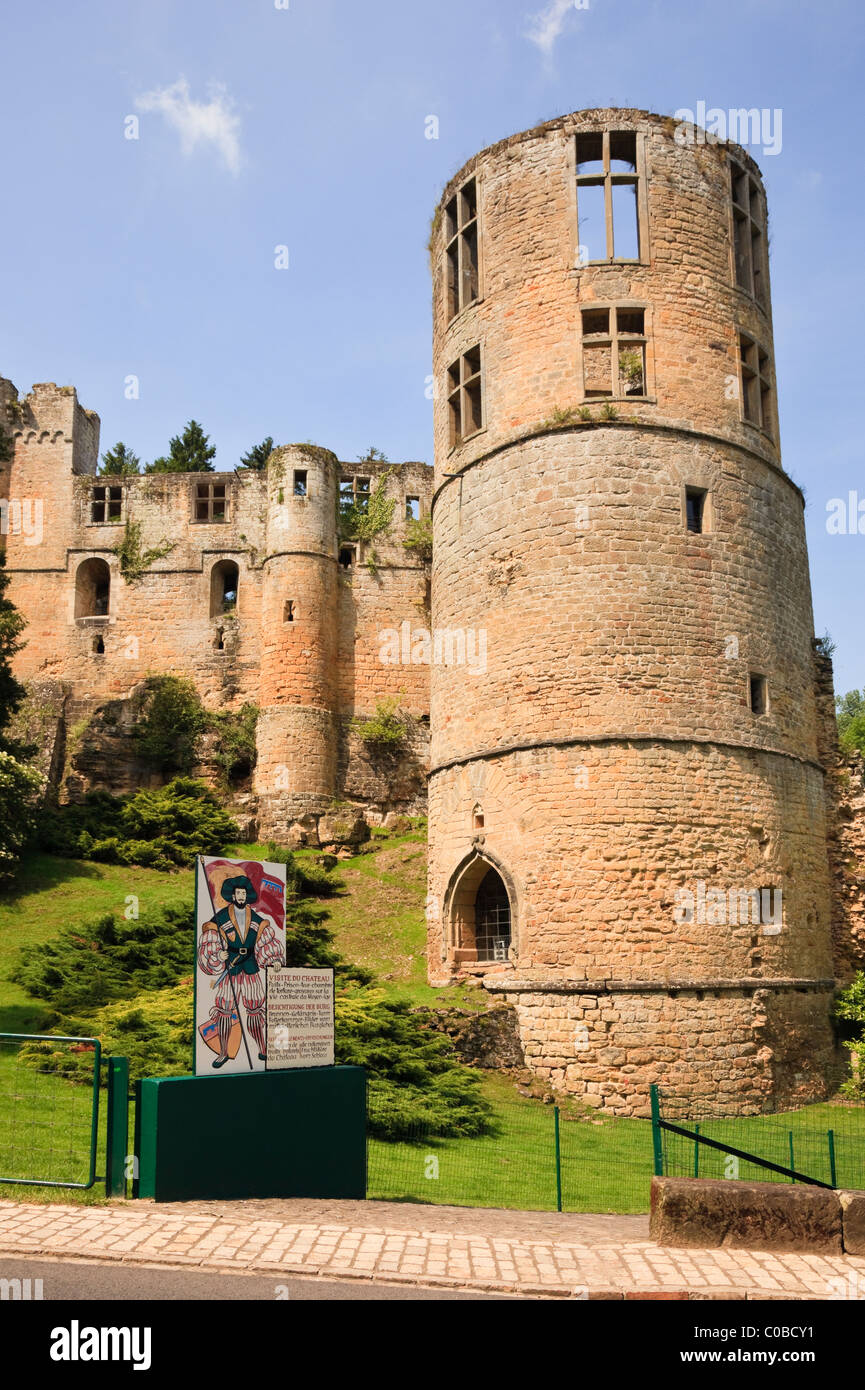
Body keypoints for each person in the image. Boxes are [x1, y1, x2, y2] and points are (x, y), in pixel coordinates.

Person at [198, 874, 283, 1068]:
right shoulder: (220, 918)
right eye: (238, 893)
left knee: (255, 1009)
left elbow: (267, 941)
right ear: (233, 896)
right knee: (225, 1010)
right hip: (232, 967)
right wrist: (218, 955)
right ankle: (223, 1052)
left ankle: (262, 1049)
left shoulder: (257, 919)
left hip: (250, 966)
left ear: (247, 896)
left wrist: (275, 959)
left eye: (244, 893)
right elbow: (210, 940)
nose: (241, 896)